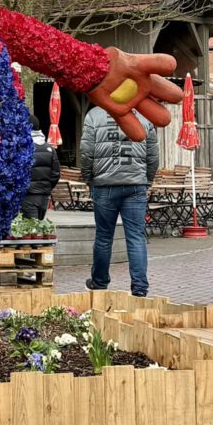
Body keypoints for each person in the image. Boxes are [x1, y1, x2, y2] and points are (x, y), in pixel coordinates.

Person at [80, 105, 158, 297]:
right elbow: (153, 156)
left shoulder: (94, 115)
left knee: (104, 237)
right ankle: (139, 288)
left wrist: (89, 178)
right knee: (136, 237)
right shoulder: (144, 116)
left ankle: (99, 283)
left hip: (104, 184)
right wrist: (146, 180)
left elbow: (86, 152)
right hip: (135, 184)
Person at [21, 115, 60, 219]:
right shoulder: (50, 148)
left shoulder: (23, 148)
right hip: (44, 196)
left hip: (28, 195)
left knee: (30, 226)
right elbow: (56, 174)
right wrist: (46, 187)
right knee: (39, 224)